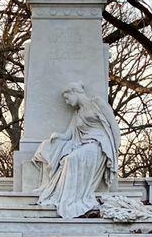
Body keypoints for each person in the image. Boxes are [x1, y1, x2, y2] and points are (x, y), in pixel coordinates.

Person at [32, 82, 121, 218]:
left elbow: (113, 126)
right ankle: (66, 196)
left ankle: (71, 199)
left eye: (67, 98)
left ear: (74, 92)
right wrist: (55, 137)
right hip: (84, 145)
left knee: (71, 159)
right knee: (63, 156)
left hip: (99, 145)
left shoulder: (97, 103)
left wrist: (115, 149)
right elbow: (67, 135)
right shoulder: (77, 114)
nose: (67, 102)